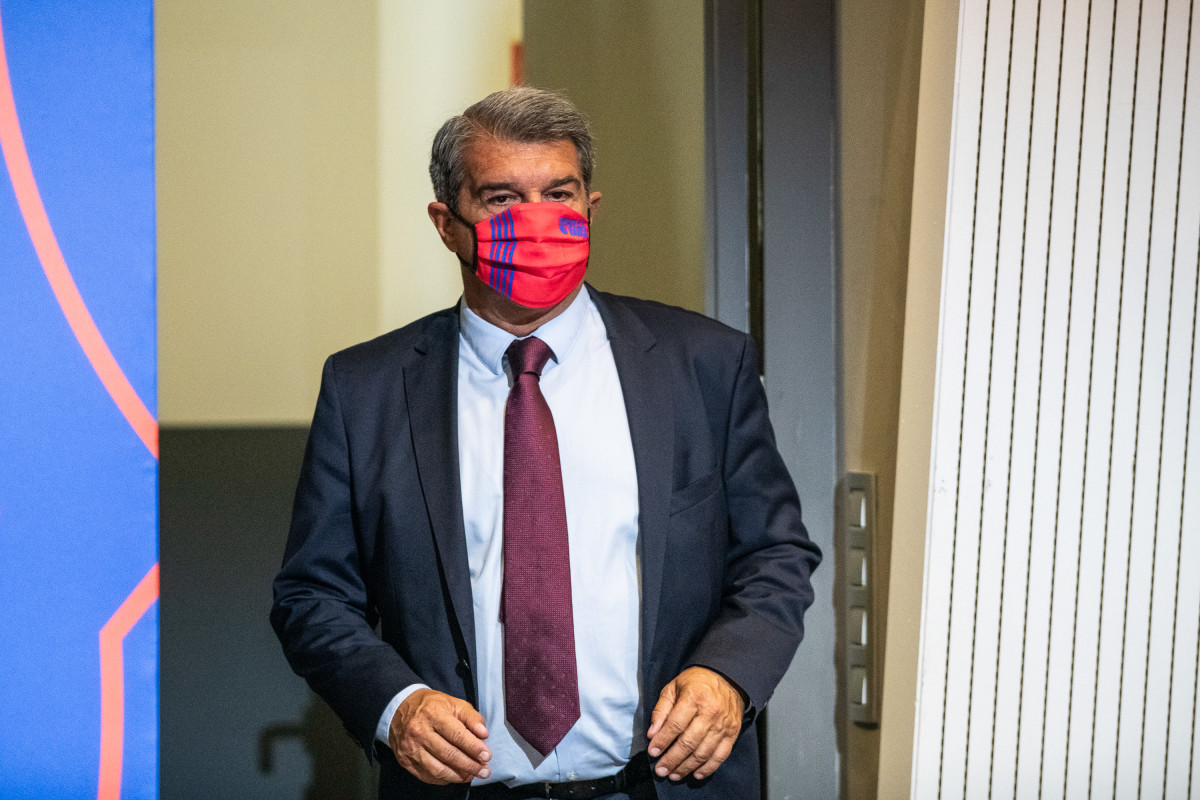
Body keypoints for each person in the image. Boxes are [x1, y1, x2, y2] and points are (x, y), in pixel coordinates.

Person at [271, 86, 821, 800]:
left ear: (591, 208)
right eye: (501, 200)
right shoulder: (365, 390)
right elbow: (312, 596)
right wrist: (394, 706)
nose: (536, 221)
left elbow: (776, 554)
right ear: (446, 223)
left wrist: (728, 675)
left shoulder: (703, 366)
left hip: (663, 787)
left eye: (559, 194)